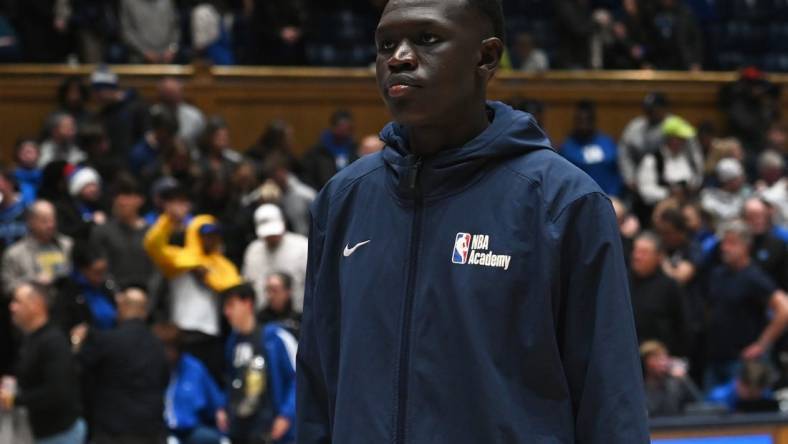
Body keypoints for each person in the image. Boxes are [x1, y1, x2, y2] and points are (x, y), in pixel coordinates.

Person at [296, 0, 649, 442]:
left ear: (486, 57)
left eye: (426, 39)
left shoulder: (562, 202)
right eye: (386, 44)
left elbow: (610, 400)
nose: (399, 57)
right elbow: (316, 386)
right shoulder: (341, 201)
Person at [144, 189, 242, 381]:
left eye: (214, 234)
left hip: (211, 335)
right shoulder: (178, 258)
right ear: (194, 234)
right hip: (182, 333)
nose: (209, 239)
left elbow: (231, 285)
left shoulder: (222, 264)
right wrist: (167, 220)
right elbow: (152, 245)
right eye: (204, 234)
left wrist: (207, 276)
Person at [75, 287, 170, 444]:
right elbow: (164, 380)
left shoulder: (106, 341)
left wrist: (77, 343)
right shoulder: (158, 345)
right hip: (151, 432)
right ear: (145, 312)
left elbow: (79, 373)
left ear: (121, 308)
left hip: (112, 433)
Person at [703, 220, 788, 391]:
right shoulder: (718, 274)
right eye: (724, 242)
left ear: (746, 246)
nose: (725, 248)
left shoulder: (754, 277)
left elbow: (784, 309)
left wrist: (762, 344)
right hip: (715, 358)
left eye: (731, 243)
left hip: (743, 362)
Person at [1, 282, 85, 443]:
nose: (12, 307)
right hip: (40, 432)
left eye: (17, 302)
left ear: (36, 304)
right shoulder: (30, 338)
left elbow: (58, 392)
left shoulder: (53, 341)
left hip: (59, 434)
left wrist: (15, 399)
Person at [222, 283, 296, 444]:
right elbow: (231, 380)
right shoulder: (232, 342)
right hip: (242, 428)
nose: (226, 312)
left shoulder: (275, 337)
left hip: (272, 427)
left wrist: (286, 415)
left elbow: (297, 379)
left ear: (248, 304)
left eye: (231, 305)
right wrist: (223, 408)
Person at [154, 323, 228, 444]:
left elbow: (215, 401)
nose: (168, 353)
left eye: (172, 348)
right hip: (160, 431)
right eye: (164, 348)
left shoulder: (194, 368)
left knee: (218, 440)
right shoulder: (150, 369)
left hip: (190, 430)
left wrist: (220, 411)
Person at [629, 232, 690, 356]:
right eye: (636, 251)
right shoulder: (622, 281)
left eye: (644, 252)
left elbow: (683, 326)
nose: (637, 256)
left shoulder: (669, 286)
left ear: (659, 257)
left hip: (659, 360)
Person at [89, 176, 154, 288]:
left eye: (128, 195)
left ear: (140, 200)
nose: (122, 201)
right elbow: (100, 271)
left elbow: (157, 272)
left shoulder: (153, 233)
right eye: (118, 196)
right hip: (115, 296)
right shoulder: (101, 232)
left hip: (148, 295)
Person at [242, 204, 307, 313]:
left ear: (284, 224)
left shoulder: (303, 247)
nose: (272, 237)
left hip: (298, 315)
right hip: (262, 316)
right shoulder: (253, 251)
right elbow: (247, 283)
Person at [1, 200, 73, 295]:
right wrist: (32, 283)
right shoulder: (14, 254)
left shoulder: (68, 245)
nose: (50, 225)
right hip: (34, 303)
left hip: (67, 302)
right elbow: (6, 286)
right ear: (31, 222)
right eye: (44, 221)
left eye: (52, 220)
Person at [636, 115, 704, 207]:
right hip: (660, 210)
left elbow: (697, 177)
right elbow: (645, 191)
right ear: (670, 138)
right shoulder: (652, 160)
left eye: (684, 139)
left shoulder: (687, 158)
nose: (683, 142)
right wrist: (669, 193)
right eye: (680, 138)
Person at [559, 100, 623, 197]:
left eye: (587, 119)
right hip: (578, 200)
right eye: (580, 120)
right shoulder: (567, 147)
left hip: (611, 198)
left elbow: (618, 172)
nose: (584, 124)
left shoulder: (608, 143)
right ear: (575, 121)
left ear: (593, 120)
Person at [618, 92, 671, 192]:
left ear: (664, 108)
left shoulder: (675, 126)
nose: (650, 112)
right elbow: (625, 155)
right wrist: (630, 178)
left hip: (668, 179)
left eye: (653, 109)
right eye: (648, 110)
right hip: (640, 182)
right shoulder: (635, 126)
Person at [300, 110, 359, 190]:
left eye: (348, 127)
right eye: (341, 126)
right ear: (334, 127)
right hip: (322, 193)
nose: (344, 130)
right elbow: (306, 177)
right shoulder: (317, 152)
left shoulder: (355, 149)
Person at [641, 340, 700, 417]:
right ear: (645, 362)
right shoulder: (639, 386)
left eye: (663, 358)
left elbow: (698, 403)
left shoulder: (675, 383)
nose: (662, 363)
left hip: (674, 426)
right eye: (656, 358)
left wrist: (684, 378)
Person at [263, 152, 316, 236]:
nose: (274, 179)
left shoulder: (305, 194)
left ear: (284, 170)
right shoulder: (272, 196)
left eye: (275, 173)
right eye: (271, 175)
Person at [707, 360, 779, 413]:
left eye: (755, 394)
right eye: (750, 393)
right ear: (739, 382)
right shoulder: (718, 398)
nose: (752, 399)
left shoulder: (766, 395)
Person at [157, 77, 206, 148]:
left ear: (181, 93)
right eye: (168, 94)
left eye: (174, 93)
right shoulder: (154, 114)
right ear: (161, 96)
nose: (171, 97)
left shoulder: (194, 116)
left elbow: (203, 144)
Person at [700, 158, 752, 224]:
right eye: (739, 178)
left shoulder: (745, 192)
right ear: (729, 181)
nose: (743, 180)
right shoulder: (708, 198)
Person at [258, 272, 301, 338]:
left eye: (275, 290)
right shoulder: (258, 319)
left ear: (288, 292)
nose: (270, 296)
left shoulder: (299, 320)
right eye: (267, 290)